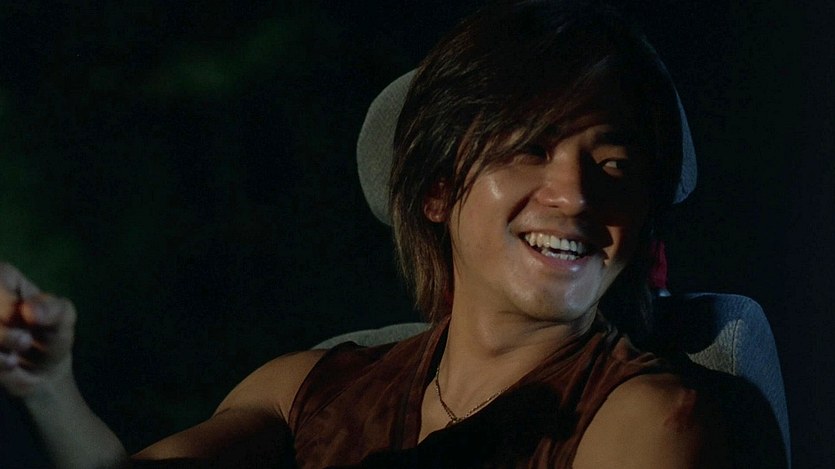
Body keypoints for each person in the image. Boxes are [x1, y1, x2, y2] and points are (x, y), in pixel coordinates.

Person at [0, 1, 730, 467]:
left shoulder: (647, 420)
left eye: (613, 165)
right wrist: (48, 383)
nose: (575, 195)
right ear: (437, 190)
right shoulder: (304, 388)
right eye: (528, 150)